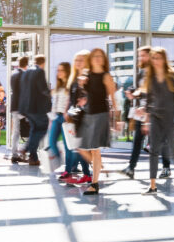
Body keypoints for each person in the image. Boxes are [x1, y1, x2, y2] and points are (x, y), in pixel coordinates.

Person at [140, 48, 174, 194]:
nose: (155, 61)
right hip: (155, 117)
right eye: (153, 58)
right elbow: (148, 100)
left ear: (164, 59)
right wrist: (145, 120)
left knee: (173, 151)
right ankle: (152, 185)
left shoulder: (172, 76)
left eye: (158, 58)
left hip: (169, 119)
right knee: (153, 151)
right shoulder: (150, 76)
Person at [121, 46, 169, 179]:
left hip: (155, 112)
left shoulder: (157, 73)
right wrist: (132, 94)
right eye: (139, 55)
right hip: (141, 112)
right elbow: (141, 90)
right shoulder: (142, 72)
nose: (140, 58)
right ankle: (131, 167)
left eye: (143, 55)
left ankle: (166, 167)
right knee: (137, 140)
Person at [78, 48, 120, 195]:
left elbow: (113, 98)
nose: (97, 58)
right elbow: (86, 94)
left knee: (95, 149)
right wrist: (82, 83)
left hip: (101, 114)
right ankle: (99, 168)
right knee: (83, 148)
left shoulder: (105, 75)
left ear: (103, 59)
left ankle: (94, 183)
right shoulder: (87, 75)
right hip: (88, 114)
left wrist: (117, 119)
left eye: (100, 56)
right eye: (94, 56)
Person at [62, 50, 93, 185]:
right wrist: (65, 111)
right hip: (74, 117)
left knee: (81, 147)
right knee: (76, 146)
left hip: (86, 118)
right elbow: (70, 98)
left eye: (81, 60)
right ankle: (85, 173)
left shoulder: (89, 79)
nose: (78, 63)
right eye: (76, 60)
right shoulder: (74, 79)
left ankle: (88, 172)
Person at [15, 54, 51, 167]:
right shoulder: (39, 71)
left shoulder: (26, 72)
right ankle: (26, 148)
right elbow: (43, 90)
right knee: (43, 128)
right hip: (37, 108)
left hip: (26, 108)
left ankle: (33, 158)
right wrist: (51, 92)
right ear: (43, 63)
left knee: (34, 130)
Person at [46, 62, 71, 171]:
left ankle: (69, 168)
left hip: (66, 118)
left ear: (67, 72)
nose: (58, 72)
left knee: (68, 146)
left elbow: (70, 102)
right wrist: (51, 119)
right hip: (56, 117)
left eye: (61, 70)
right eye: (58, 70)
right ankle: (62, 161)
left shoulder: (70, 86)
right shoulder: (58, 87)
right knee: (51, 142)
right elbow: (54, 104)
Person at [8, 57, 27, 158]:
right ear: (26, 64)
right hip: (23, 107)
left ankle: (14, 153)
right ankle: (25, 149)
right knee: (33, 128)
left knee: (15, 131)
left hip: (14, 106)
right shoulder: (24, 75)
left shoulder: (13, 74)